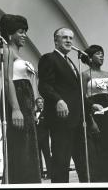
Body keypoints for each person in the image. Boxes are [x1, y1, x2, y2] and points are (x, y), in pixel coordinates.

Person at [38, 27, 87, 183]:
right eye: (64, 37)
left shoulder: (72, 61)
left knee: (83, 162)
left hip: (77, 119)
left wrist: (89, 105)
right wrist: (58, 100)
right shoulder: (49, 58)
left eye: (71, 38)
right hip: (61, 120)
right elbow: (44, 86)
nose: (69, 41)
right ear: (56, 40)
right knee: (61, 162)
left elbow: (74, 90)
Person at [0, 14, 41, 184]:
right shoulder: (7, 51)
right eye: (21, 32)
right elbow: (7, 80)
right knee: (20, 147)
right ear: (10, 33)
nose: (24, 35)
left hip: (27, 103)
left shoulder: (18, 54)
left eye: (25, 32)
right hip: (18, 101)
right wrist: (16, 109)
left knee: (29, 147)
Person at [82, 45, 108, 182]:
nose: (102, 56)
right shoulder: (85, 75)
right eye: (98, 54)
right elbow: (83, 99)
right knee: (98, 150)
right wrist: (90, 121)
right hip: (94, 115)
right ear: (90, 57)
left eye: (103, 54)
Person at [35, 97, 52, 179]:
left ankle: (50, 174)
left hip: (45, 138)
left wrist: (37, 120)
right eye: (38, 102)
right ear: (36, 104)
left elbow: (47, 124)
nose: (40, 103)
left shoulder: (47, 113)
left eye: (42, 102)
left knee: (47, 157)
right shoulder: (33, 113)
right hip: (36, 139)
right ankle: (40, 174)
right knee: (38, 158)